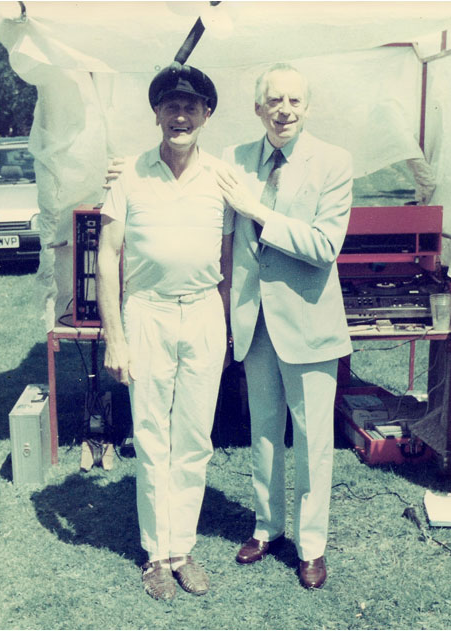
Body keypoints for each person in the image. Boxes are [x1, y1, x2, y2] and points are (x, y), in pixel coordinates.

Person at [97, 62, 233, 601]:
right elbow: (108, 258)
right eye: (170, 106)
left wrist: (222, 328)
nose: (181, 115)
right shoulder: (129, 174)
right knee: (153, 437)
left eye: (191, 106)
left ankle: (183, 548)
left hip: (203, 311)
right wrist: (116, 336)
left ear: (207, 114)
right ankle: (156, 555)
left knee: (195, 439)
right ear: (156, 113)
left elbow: (227, 260)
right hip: (148, 311)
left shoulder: (221, 177)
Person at [217, 63, 353, 589]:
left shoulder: (334, 162)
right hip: (255, 321)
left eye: (294, 101)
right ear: (257, 109)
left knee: (314, 441)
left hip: (310, 323)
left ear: (308, 108)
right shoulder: (234, 160)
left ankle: (311, 545)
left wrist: (257, 210)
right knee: (264, 432)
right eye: (274, 101)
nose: (284, 110)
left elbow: (324, 246)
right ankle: (266, 526)